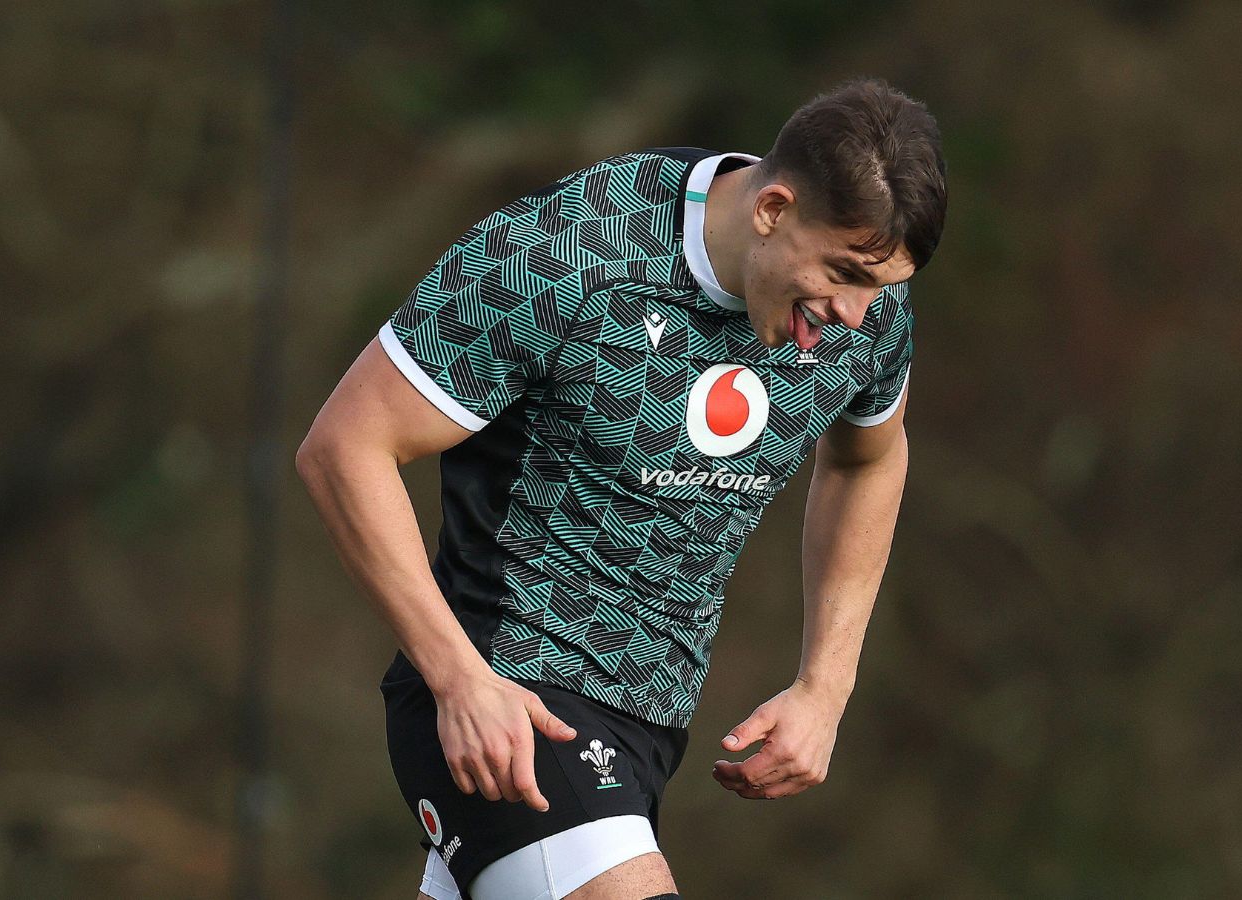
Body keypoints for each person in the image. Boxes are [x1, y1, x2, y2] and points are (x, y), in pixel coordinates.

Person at [296, 76, 947, 900]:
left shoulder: (870, 305)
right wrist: (459, 680)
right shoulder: (564, 255)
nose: (856, 314)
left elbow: (870, 459)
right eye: (845, 274)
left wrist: (827, 684)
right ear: (773, 209)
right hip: (512, 701)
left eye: (880, 287)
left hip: (648, 732)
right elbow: (344, 446)